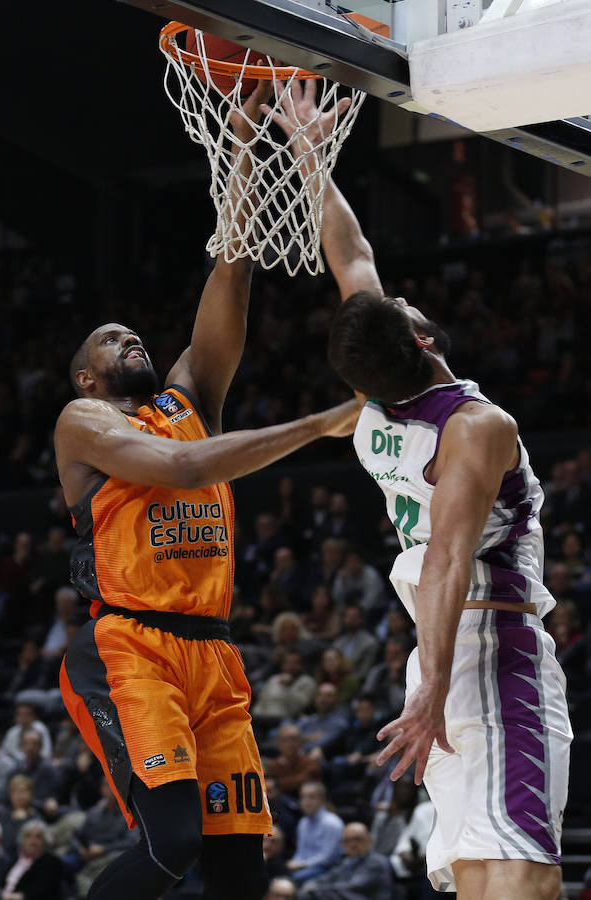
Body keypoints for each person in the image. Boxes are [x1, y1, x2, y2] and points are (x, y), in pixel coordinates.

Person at [265, 81, 573, 899]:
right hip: (486, 648)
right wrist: (435, 685)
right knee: (520, 876)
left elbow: (350, 258)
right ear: (424, 339)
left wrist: (307, 155)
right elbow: (444, 558)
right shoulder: (475, 426)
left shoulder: (374, 405)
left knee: (478, 874)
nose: (396, 292)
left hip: (434, 649)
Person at [53, 82, 360, 900]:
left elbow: (234, 264)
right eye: (113, 339)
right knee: (174, 840)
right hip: (130, 647)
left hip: (212, 651)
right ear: (88, 373)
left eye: (136, 332)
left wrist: (240, 145)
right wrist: (320, 423)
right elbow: (188, 471)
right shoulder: (84, 420)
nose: (133, 338)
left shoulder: (187, 401)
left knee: (238, 862)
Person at [297, 820, 393, 900]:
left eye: (357, 839)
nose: (352, 845)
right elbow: (326, 878)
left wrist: (316, 889)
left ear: (369, 840)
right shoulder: (347, 862)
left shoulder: (377, 862)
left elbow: (353, 886)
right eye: (347, 841)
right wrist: (312, 884)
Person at [287, 781, 343, 885]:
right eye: (303, 797)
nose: (306, 802)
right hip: (305, 866)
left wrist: (300, 865)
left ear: (322, 800)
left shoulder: (332, 823)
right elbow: (300, 852)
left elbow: (327, 858)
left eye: (311, 797)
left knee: (294, 879)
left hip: (328, 869)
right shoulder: (303, 822)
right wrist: (293, 863)